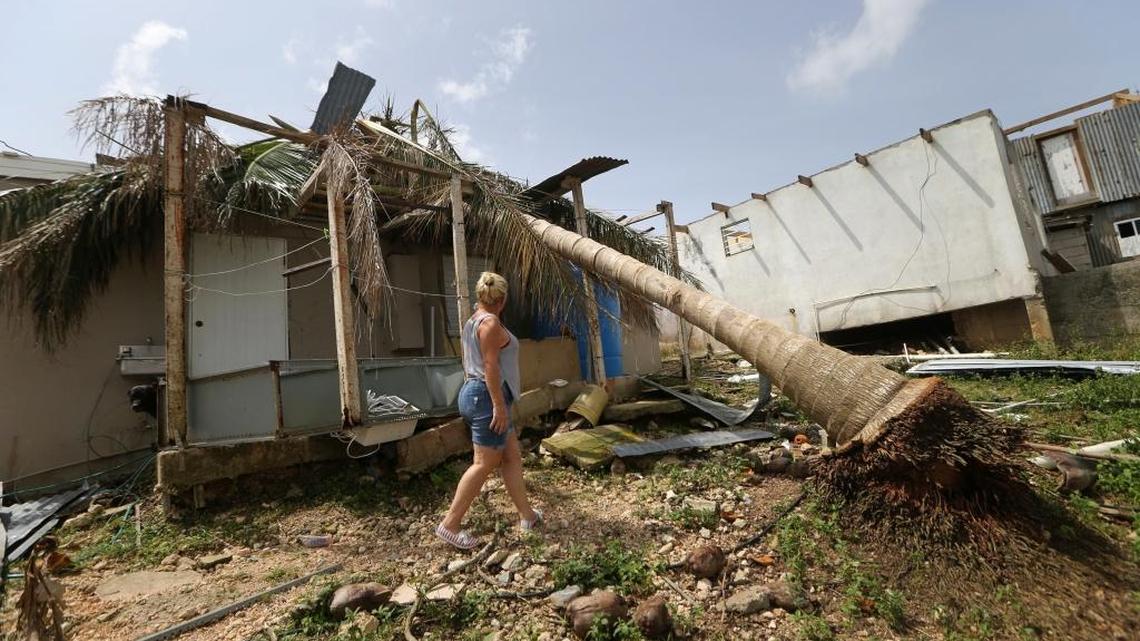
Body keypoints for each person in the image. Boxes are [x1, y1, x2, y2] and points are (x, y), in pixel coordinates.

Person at [436, 272, 541, 549]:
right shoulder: (491, 323)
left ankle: (527, 516)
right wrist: (498, 406)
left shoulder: (474, 320)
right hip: (486, 397)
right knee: (484, 463)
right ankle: (449, 525)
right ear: (503, 299)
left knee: (511, 457)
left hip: (479, 394)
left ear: (480, 296)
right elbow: (490, 366)